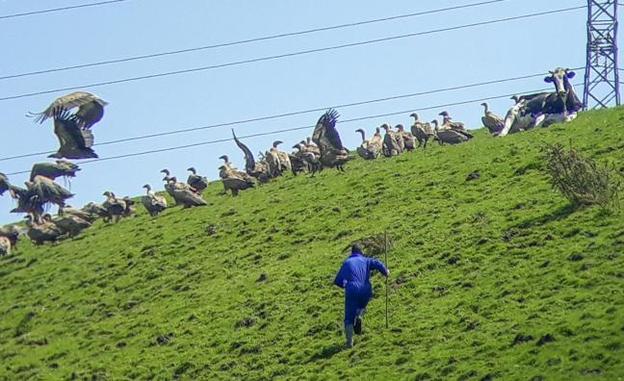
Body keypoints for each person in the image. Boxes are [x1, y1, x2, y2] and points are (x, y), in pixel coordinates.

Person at [334, 243, 389, 348]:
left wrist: (345, 285)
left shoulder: (347, 262)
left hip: (352, 289)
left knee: (349, 318)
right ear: (361, 252)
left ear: (352, 252)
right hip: (366, 289)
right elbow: (377, 263)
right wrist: (386, 272)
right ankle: (359, 315)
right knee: (362, 305)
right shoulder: (366, 260)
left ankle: (349, 343)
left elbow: (338, 281)